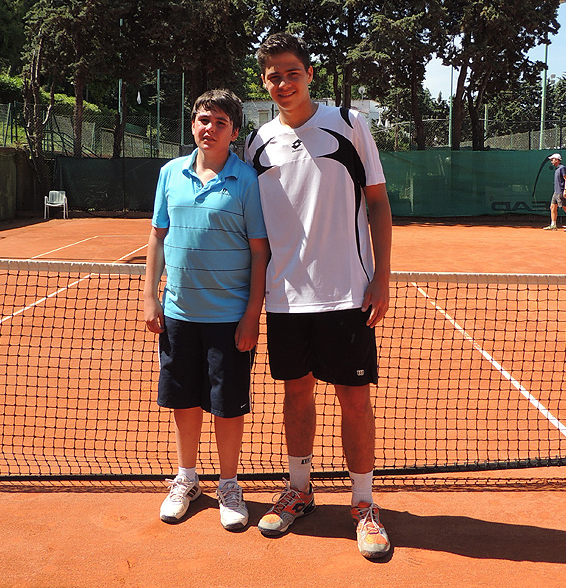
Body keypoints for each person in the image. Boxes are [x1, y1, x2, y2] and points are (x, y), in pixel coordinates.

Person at [244, 32, 393, 559]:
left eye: (292, 72)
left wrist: (382, 275)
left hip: (347, 292)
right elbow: (255, 227)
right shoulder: (257, 142)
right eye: (273, 76)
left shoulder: (349, 124)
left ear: (309, 74)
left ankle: (364, 504)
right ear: (264, 83)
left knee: (354, 398)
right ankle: (299, 489)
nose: (283, 83)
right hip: (285, 298)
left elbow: (377, 202)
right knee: (296, 394)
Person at [143, 89, 269, 531]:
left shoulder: (247, 180)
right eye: (202, 119)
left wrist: (252, 314)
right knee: (184, 401)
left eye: (219, 122)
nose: (209, 128)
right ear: (192, 124)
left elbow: (260, 251)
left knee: (227, 407)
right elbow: (158, 236)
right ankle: (187, 479)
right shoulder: (169, 174)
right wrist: (150, 296)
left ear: (234, 132)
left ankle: (229, 485)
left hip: (229, 319)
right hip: (178, 314)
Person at [544, 153, 566, 231]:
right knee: (552, 207)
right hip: (556, 192)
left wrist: (565, 190)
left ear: (557, 160)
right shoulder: (557, 169)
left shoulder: (562, 168)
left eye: (552, 159)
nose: (551, 161)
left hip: (561, 191)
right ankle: (553, 225)